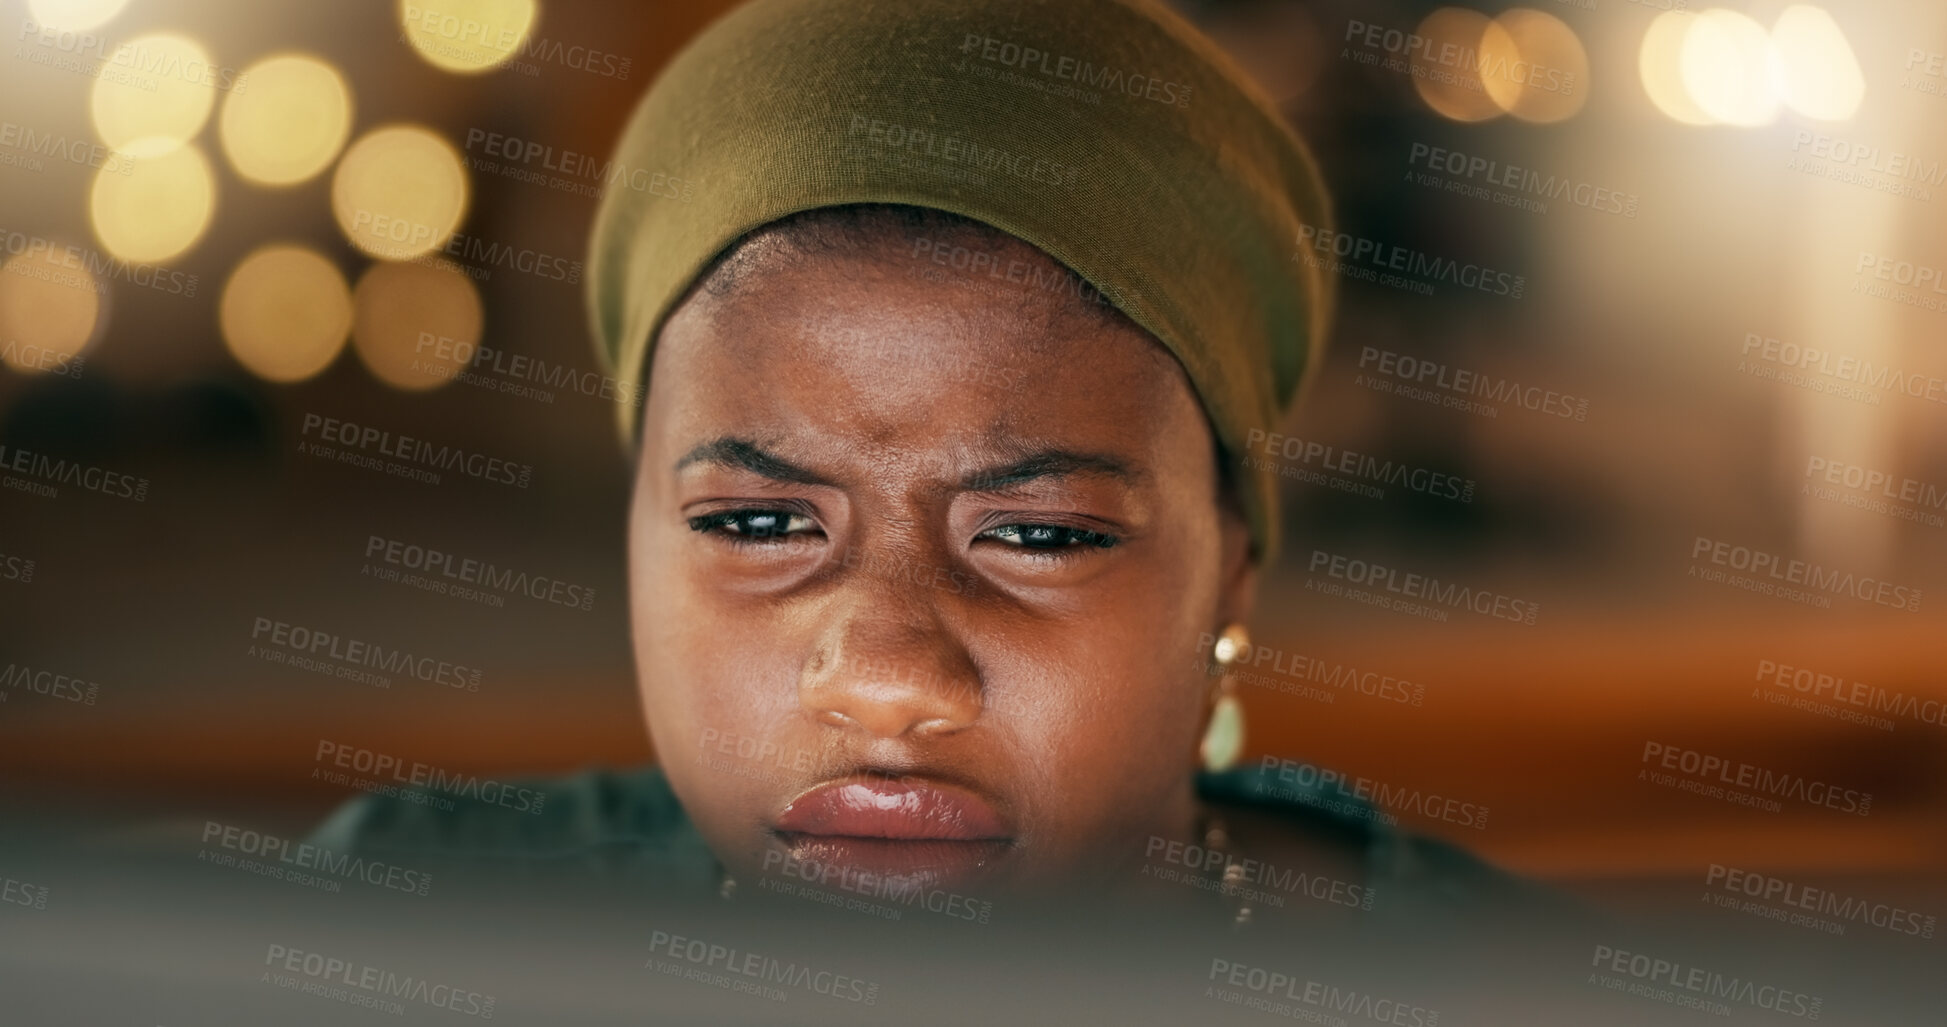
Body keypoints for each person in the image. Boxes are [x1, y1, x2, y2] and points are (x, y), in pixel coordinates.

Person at [312, 0, 1558, 932]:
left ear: (1231, 574)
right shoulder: (392, 922)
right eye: (754, 523)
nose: (889, 683)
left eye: (1042, 533)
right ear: (636, 534)